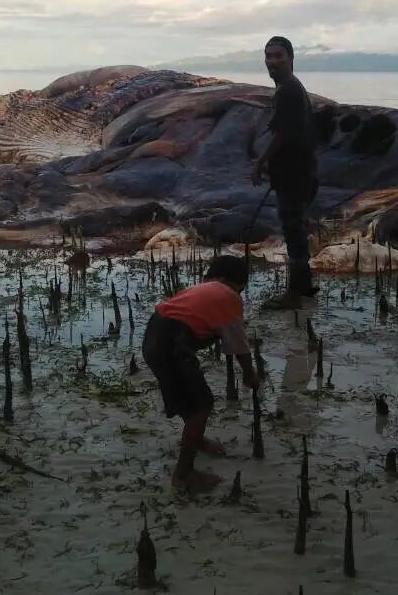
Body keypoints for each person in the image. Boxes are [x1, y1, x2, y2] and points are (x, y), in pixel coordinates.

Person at [142, 255, 260, 492]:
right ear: (233, 282)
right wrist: (249, 373)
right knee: (200, 407)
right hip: (173, 342)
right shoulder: (228, 296)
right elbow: (238, 343)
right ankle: (184, 475)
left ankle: (195, 439)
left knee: (189, 397)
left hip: (153, 337)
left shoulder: (200, 289)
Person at [250, 35, 319, 310]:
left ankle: (293, 295)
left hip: (294, 174)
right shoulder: (291, 88)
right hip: (300, 171)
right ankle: (305, 286)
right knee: (297, 228)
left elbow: (282, 133)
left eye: (278, 56)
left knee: (293, 232)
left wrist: (260, 162)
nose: (272, 62)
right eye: (268, 56)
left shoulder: (288, 90)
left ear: (291, 58)